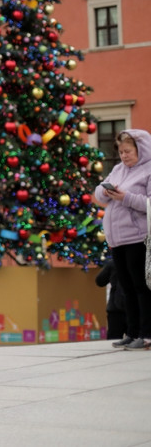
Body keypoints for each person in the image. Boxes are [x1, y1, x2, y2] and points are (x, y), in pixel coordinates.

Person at [94, 129, 151, 350]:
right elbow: (98, 193)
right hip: (116, 239)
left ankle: (147, 334)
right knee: (126, 288)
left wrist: (125, 197)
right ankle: (132, 332)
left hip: (138, 237)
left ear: (141, 149)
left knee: (141, 287)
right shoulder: (118, 169)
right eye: (121, 151)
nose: (124, 156)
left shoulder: (148, 170)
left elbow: (148, 203)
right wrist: (106, 192)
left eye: (128, 151)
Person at [95, 257, 127, 340]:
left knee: (114, 338)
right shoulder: (142, 262)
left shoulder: (113, 263)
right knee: (137, 338)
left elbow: (100, 281)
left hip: (115, 307)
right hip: (137, 308)